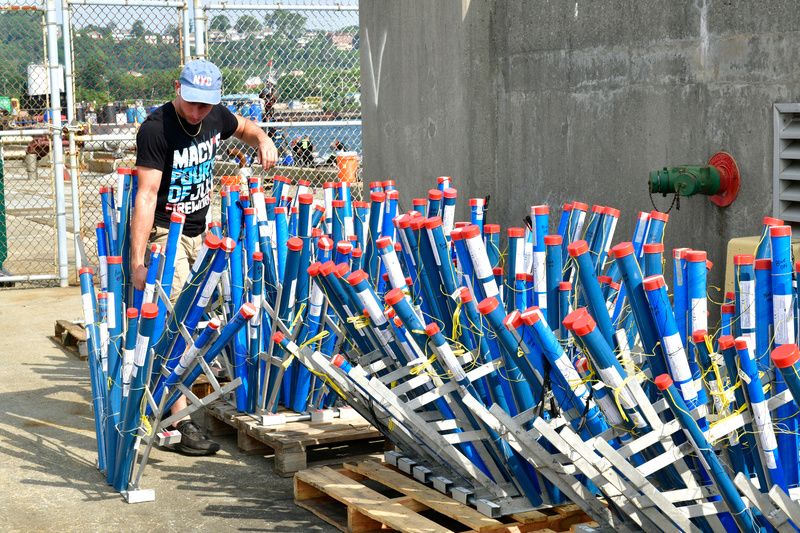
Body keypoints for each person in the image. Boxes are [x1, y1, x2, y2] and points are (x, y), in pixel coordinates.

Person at [130, 59, 277, 456]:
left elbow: (244, 127)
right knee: (171, 325)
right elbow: (144, 195)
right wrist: (138, 261)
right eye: (192, 102)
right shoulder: (156, 129)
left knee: (194, 323)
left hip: (202, 231)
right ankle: (175, 422)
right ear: (177, 89)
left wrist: (263, 139)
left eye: (205, 105)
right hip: (167, 233)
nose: (197, 112)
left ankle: (164, 406)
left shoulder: (216, 117)